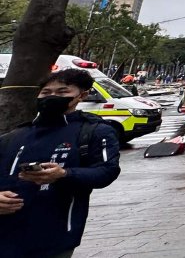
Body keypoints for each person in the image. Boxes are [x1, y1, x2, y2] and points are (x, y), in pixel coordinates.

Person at [0, 68, 121, 258]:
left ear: (82, 95)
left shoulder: (95, 131)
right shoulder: (14, 136)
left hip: (55, 235)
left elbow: (106, 171)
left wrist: (64, 174)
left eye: (62, 92)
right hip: (5, 232)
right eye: (46, 92)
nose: (52, 96)